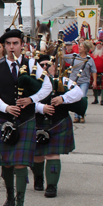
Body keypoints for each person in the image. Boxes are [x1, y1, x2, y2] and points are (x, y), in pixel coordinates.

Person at [0, 29, 51, 206]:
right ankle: (10, 197)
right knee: (7, 164)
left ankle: (20, 205)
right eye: (8, 44)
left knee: (20, 164)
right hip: (4, 120)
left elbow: (47, 86)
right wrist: (6, 108)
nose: (12, 47)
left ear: (22, 44)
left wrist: (31, 99)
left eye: (15, 43)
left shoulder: (32, 65)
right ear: (4, 46)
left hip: (26, 120)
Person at [32, 54, 83, 198]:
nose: (46, 68)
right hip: (38, 121)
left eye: (49, 64)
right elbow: (23, 100)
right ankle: (39, 179)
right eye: (42, 65)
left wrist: (63, 98)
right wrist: (41, 108)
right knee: (38, 155)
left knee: (52, 154)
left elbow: (78, 92)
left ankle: (52, 186)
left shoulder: (62, 81)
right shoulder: (32, 83)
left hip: (58, 122)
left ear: (55, 66)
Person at [64, 40, 96, 123]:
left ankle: (81, 115)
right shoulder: (74, 57)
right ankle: (76, 116)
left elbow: (94, 71)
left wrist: (94, 81)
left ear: (85, 49)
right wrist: (60, 49)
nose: (79, 48)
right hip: (74, 81)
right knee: (75, 97)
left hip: (84, 81)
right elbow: (63, 57)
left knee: (82, 98)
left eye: (81, 47)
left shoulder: (90, 60)